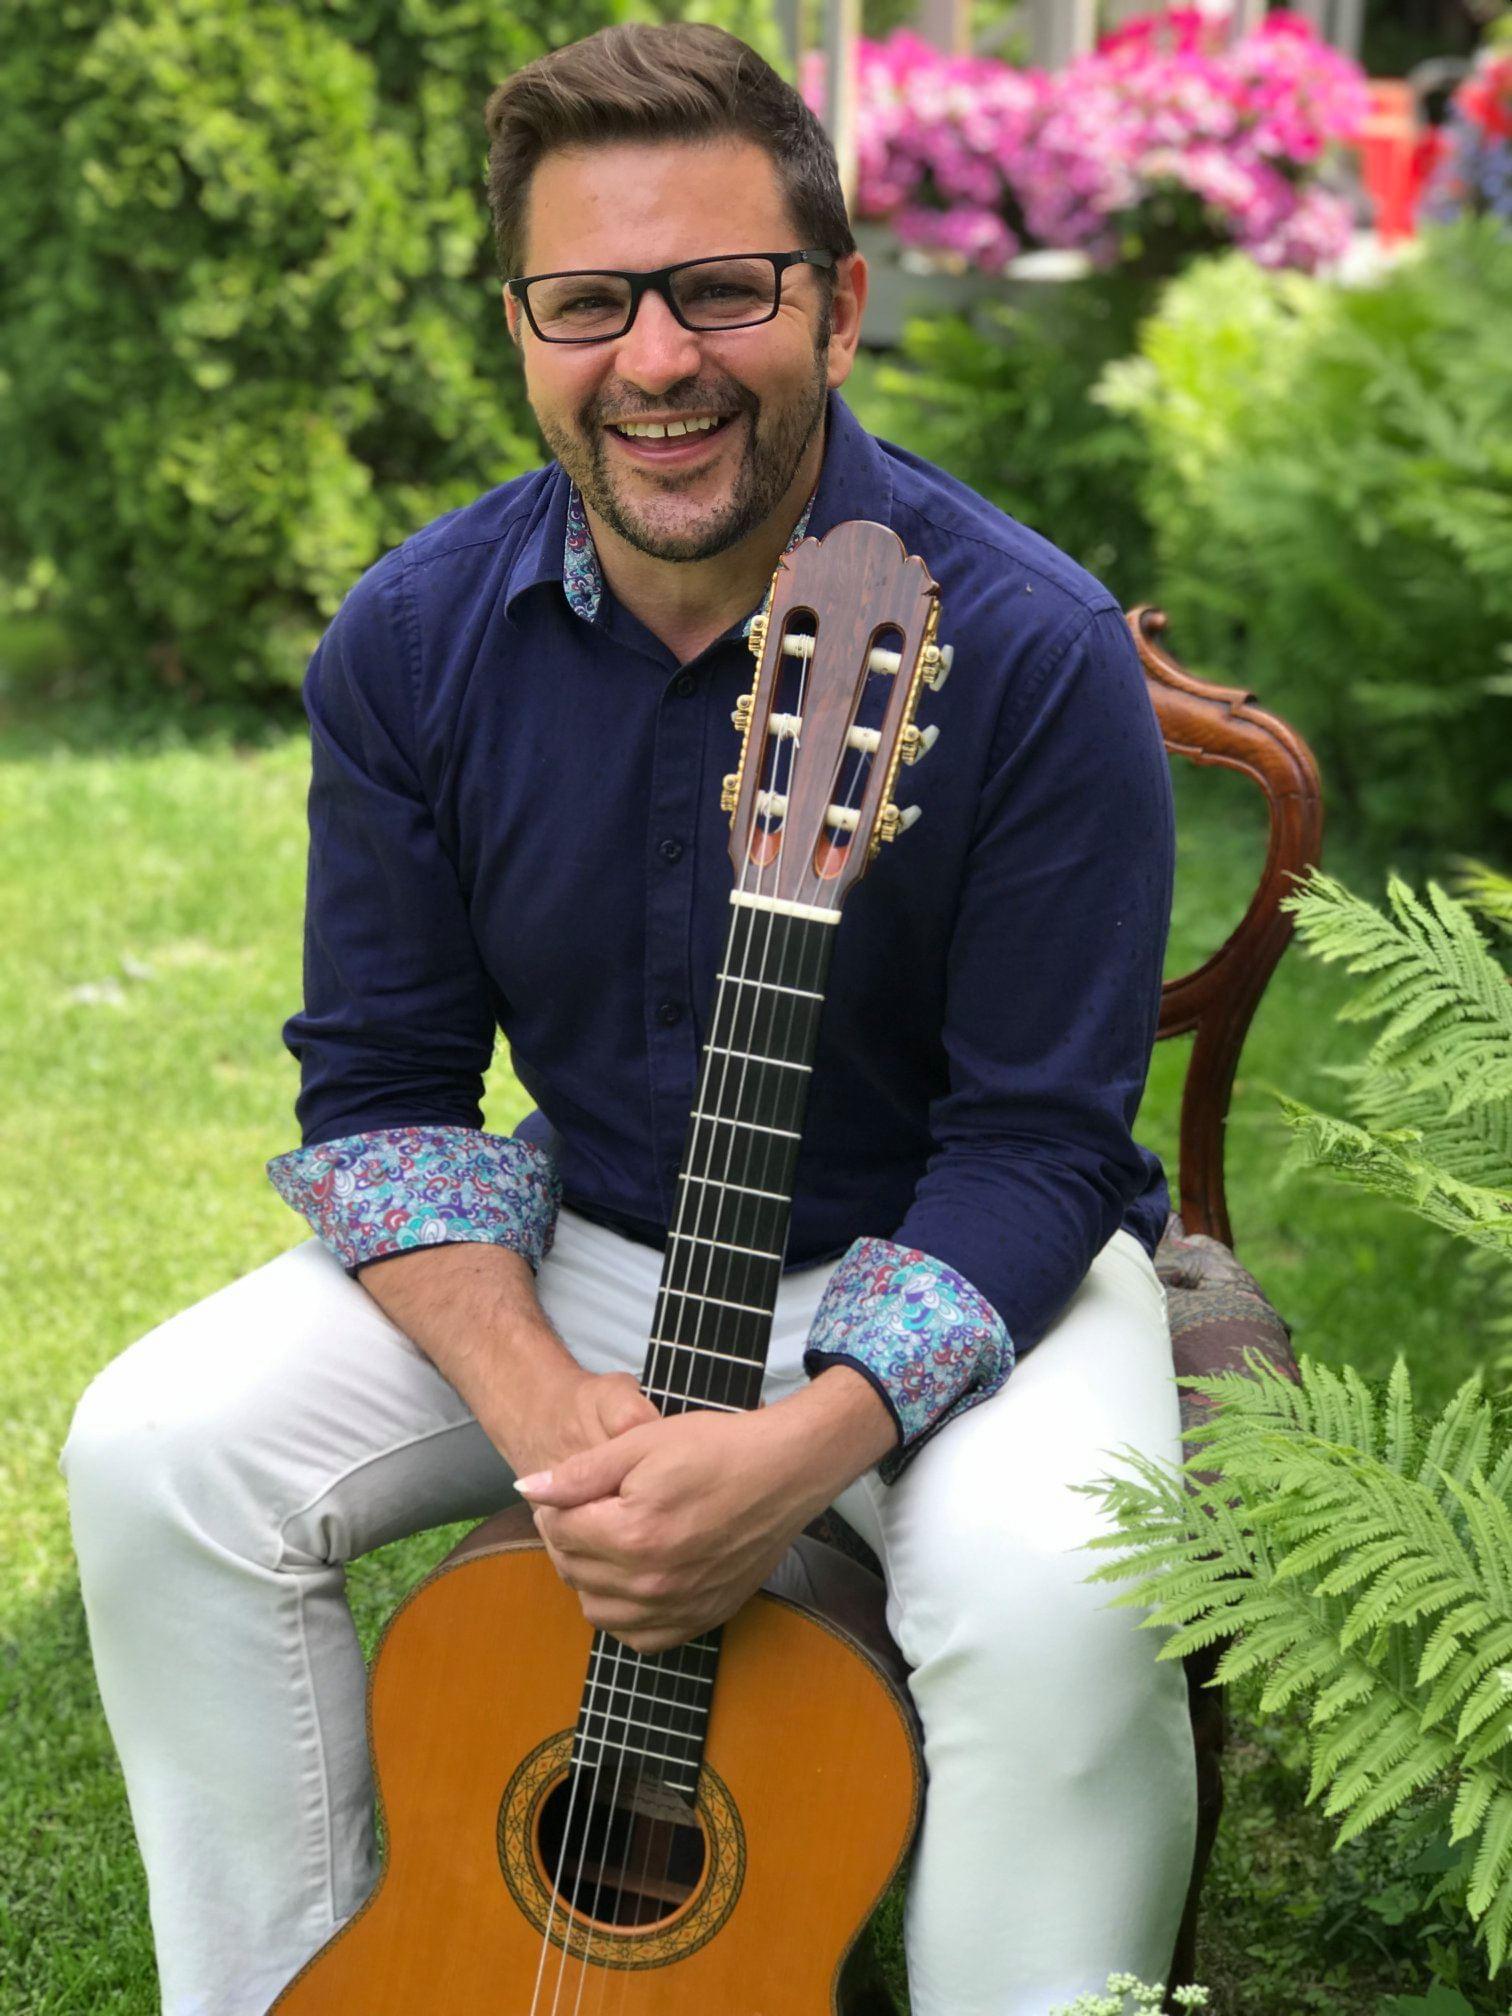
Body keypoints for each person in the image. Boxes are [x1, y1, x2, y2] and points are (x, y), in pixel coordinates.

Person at [60, 21, 1197, 2016]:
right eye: (588, 301)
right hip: (597, 1248)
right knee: (158, 1452)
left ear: (838, 305)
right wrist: (545, 1407)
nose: (656, 359)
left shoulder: (1027, 647)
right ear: (522, 330)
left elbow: (1040, 1142)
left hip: (961, 1262)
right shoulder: (413, 641)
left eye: (722, 289)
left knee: (1061, 1600)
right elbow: (384, 1092)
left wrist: (801, 1445)